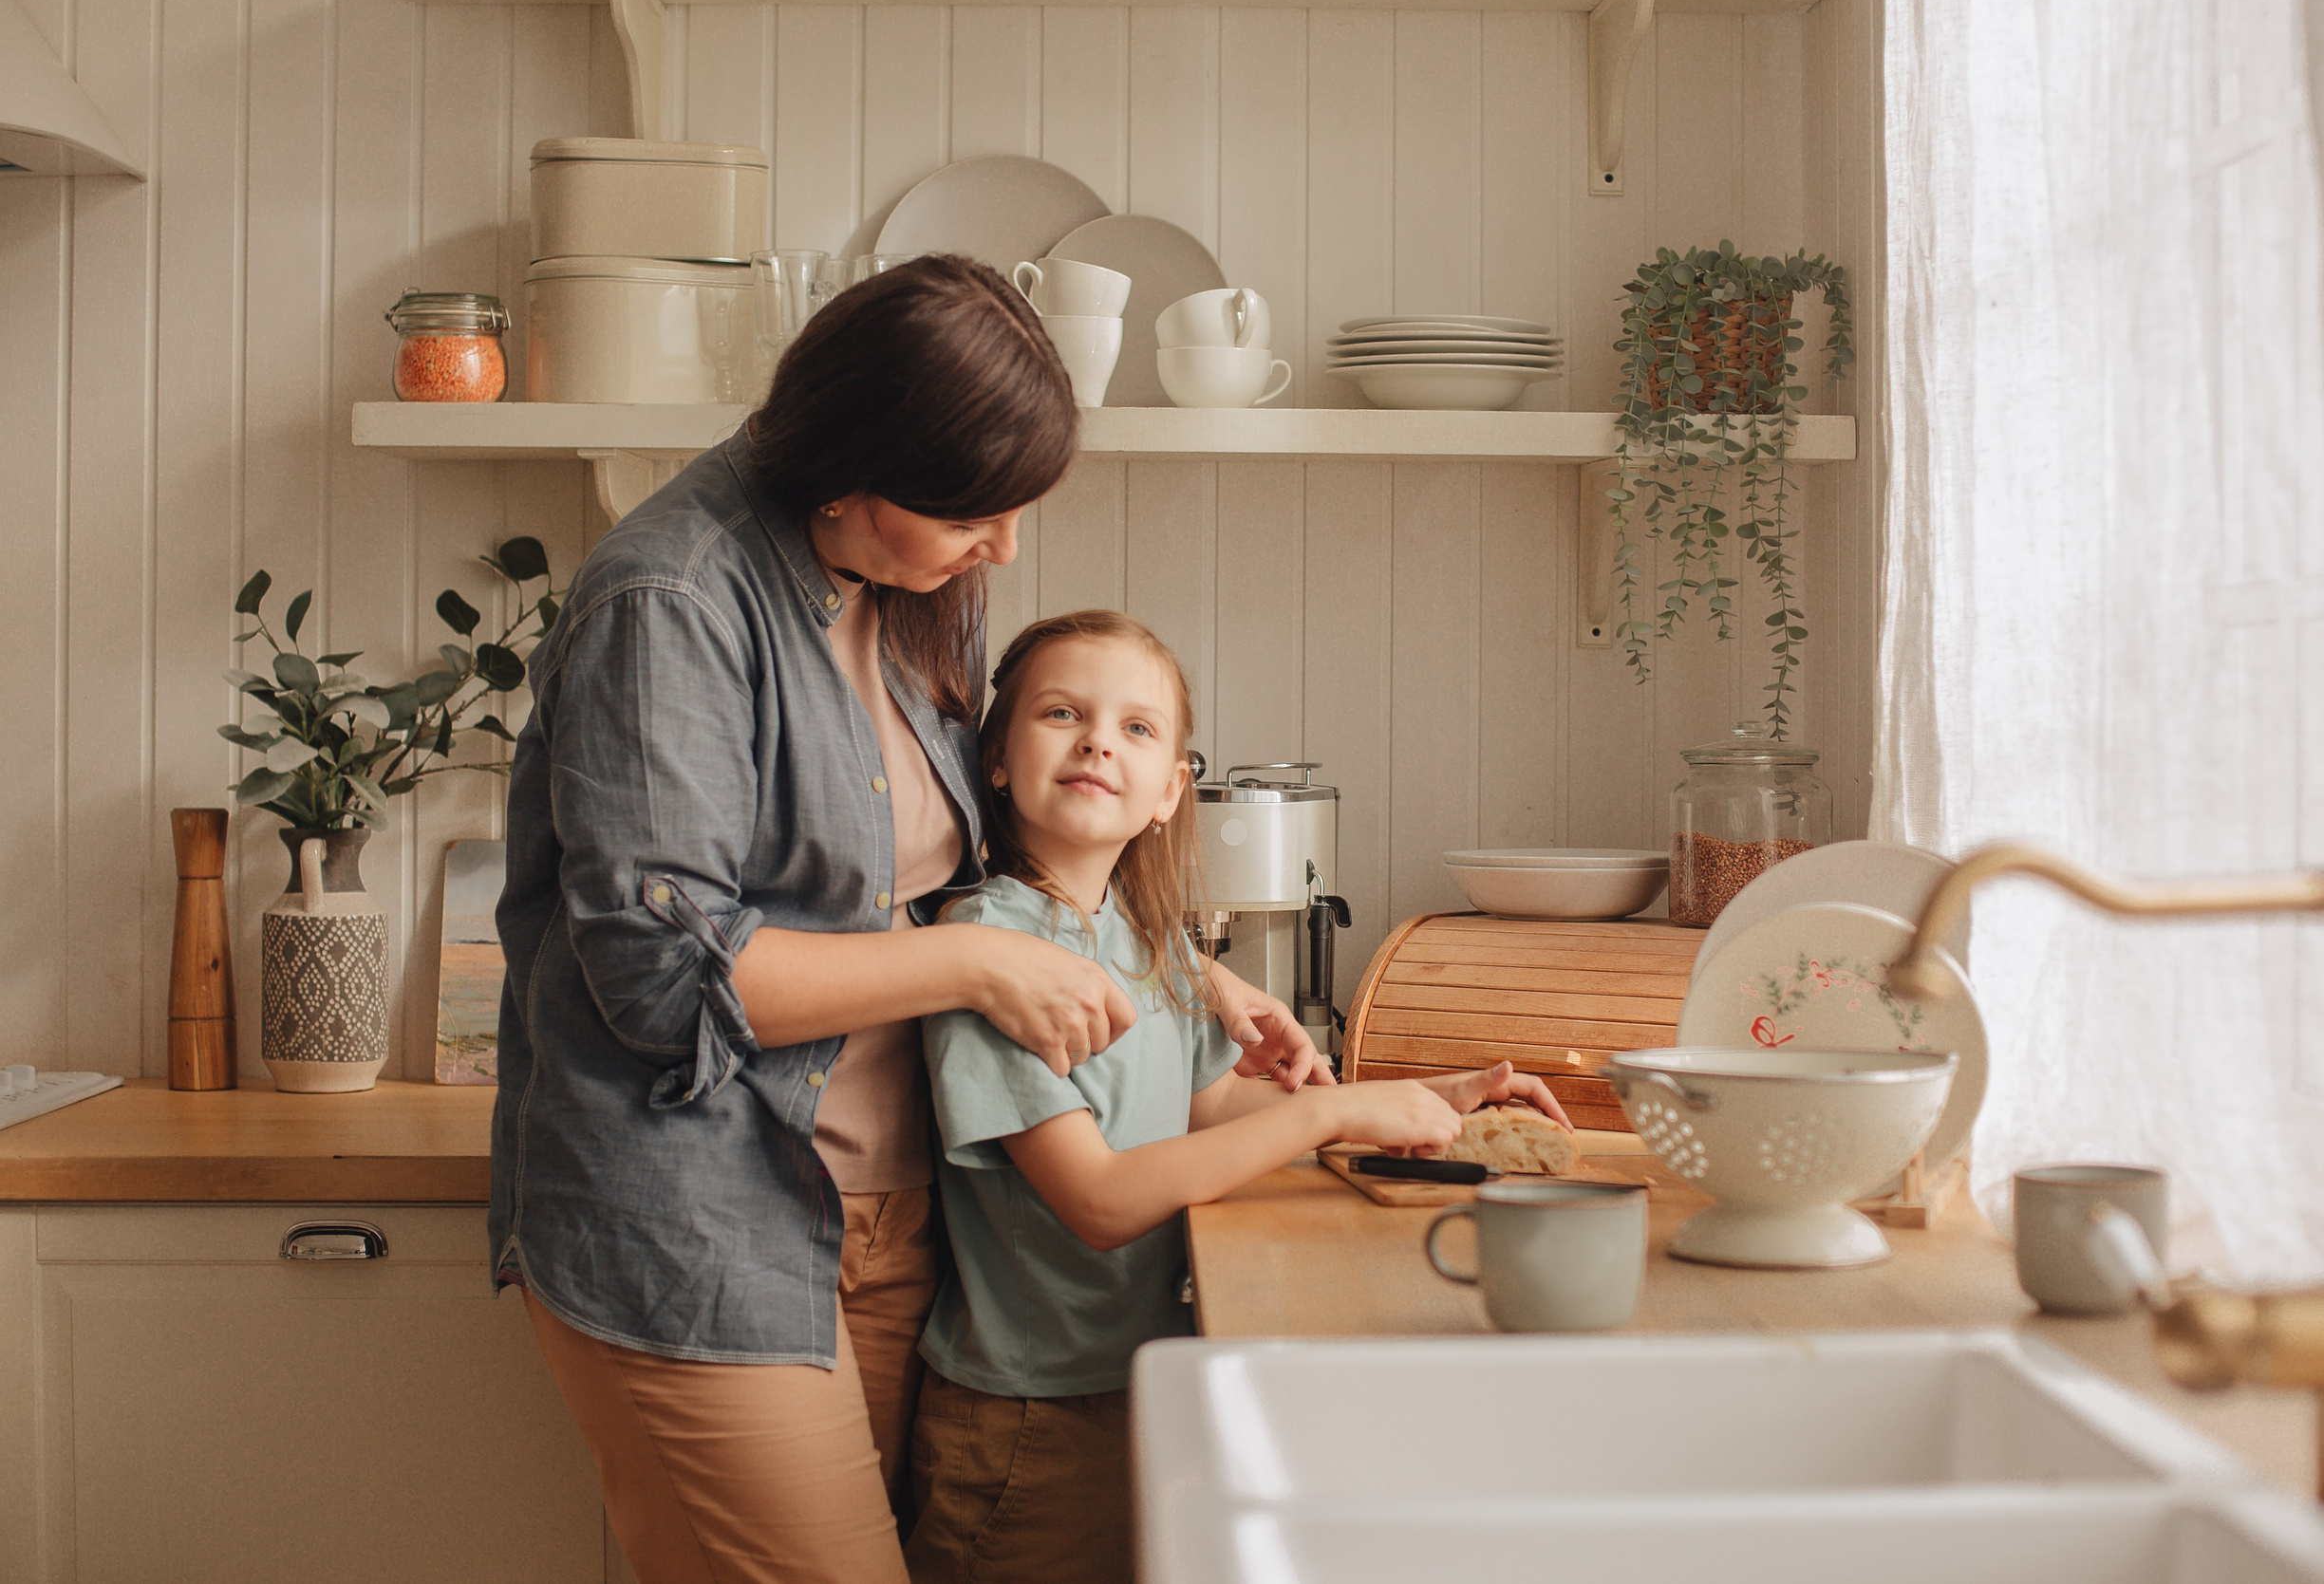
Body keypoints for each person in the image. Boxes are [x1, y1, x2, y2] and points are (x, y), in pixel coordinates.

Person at [487, 257, 1329, 1584]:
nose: (1001, 546)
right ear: (852, 462)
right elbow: (661, 979)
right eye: (972, 513)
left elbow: (960, 858)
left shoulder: (912, 574)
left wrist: (1194, 981)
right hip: (701, 1219)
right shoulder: (671, 601)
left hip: (890, 1221)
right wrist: (980, 961)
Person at [905, 609, 1572, 1583]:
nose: (1097, 739)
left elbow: (1206, 1110)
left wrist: (1437, 1096)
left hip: (1134, 1376)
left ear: (1173, 791)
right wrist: (1327, 1114)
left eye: (1137, 728)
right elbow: (1097, 1201)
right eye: (1061, 713)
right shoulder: (994, 956)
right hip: (1025, 1417)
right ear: (997, 758)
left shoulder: (1147, 939)